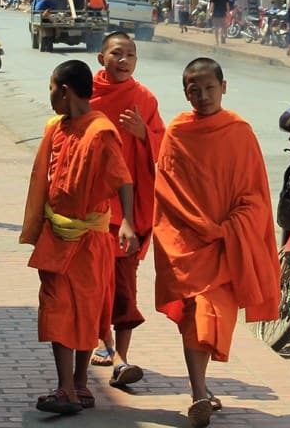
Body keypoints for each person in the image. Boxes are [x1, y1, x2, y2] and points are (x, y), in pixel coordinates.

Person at [153, 58, 281, 427]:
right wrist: (196, 226)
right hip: (188, 243)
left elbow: (255, 194)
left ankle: (200, 389)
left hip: (226, 244)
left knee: (210, 316)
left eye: (210, 88)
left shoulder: (239, 131)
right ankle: (198, 393)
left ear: (224, 87)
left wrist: (229, 228)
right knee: (195, 316)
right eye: (195, 90)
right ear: (185, 93)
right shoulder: (177, 131)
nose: (203, 96)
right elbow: (166, 188)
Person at [20, 60, 138, 415]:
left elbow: (123, 178)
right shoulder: (58, 128)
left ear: (65, 90)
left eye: (52, 89)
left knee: (87, 311)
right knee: (56, 308)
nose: (51, 97)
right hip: (57, 234)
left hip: (89, 238)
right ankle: (66, 386)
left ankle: (80, 383)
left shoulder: (99, 131)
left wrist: (128, 222)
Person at [88, 31, 166, 386]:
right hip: (92, 207)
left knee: (124, 286)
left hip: (128, 210)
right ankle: (106, 346)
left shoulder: (144, 99)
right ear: (101, 57)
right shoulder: (86, 94)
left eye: (131, 55)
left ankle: (122, 354)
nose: (124, 60)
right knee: (95, 285)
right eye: (117, 53)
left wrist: (142, 134)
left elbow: (164, 149)